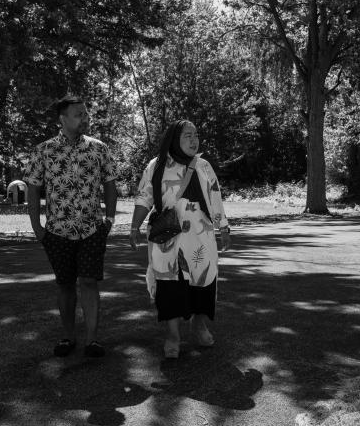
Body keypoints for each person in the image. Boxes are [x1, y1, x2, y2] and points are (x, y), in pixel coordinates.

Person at [25, 95, 118, 358]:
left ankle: (91, 340)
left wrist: (109, 220)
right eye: (79, 115)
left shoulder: (99, 148)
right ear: (63, 119)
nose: (85, 119)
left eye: (86, 114)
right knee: (65, 284)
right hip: (57, 231)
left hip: (92, 230)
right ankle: (68, 337)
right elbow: (33, 189)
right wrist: (37, 227)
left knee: (89, 281)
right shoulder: (43, 150)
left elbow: (110, 184)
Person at [128, 120, 231, 359]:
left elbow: (215, 198)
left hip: (200, 234)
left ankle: (199, 325)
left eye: (196, 135)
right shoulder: (157, 165)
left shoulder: (204, 166)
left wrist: (224, 228)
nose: (194, 140)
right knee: (169, 284)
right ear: (174, 138)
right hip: (167, 236)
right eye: (187, 135)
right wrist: (134, 227)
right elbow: (144, 198)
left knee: (204, 280)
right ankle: (173, 335)